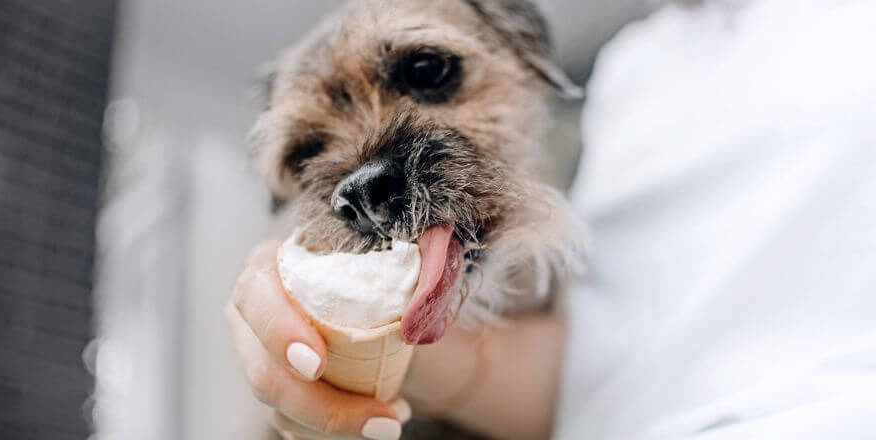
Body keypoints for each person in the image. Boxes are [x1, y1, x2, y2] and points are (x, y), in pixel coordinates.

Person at [225, 0, 876, 439]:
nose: (362, 183)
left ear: (522, 47)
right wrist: (430, 372)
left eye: (428, 72)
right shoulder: (635, 66)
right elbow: (623, 356)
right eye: (307, 153)